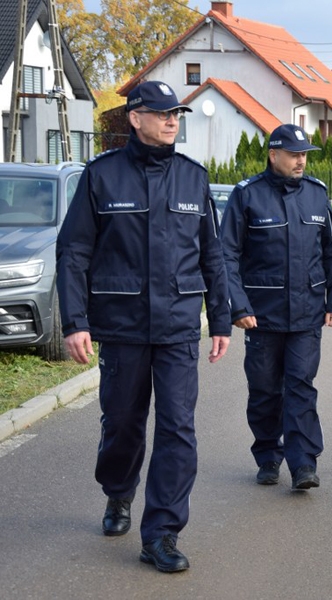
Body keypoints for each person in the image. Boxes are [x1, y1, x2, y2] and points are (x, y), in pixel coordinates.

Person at [55, 81, 231, 572]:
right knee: (123, 426)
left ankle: (162, 533)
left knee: (178, 428)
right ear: (136, 118)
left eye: (177, 113)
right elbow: (74, 253)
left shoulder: (193, 178)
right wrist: (75, 322)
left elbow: (213, 255)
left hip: (177, 327)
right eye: (162, 113)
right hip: (123, 327)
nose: (173, 120)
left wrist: (220, 318)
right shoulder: (102, 176)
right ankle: (118, 491)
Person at [219, 124, 332, 492]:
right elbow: (226, 254)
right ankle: (267, 454)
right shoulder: (248, 196)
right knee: (264, 389)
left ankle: (303, 462)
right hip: (262, 315)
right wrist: (238, 306)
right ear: (274, 155)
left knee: (301, 386)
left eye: (305, 154)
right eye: (294, 154)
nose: (301, 160)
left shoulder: (317, 195)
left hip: (307, 314)